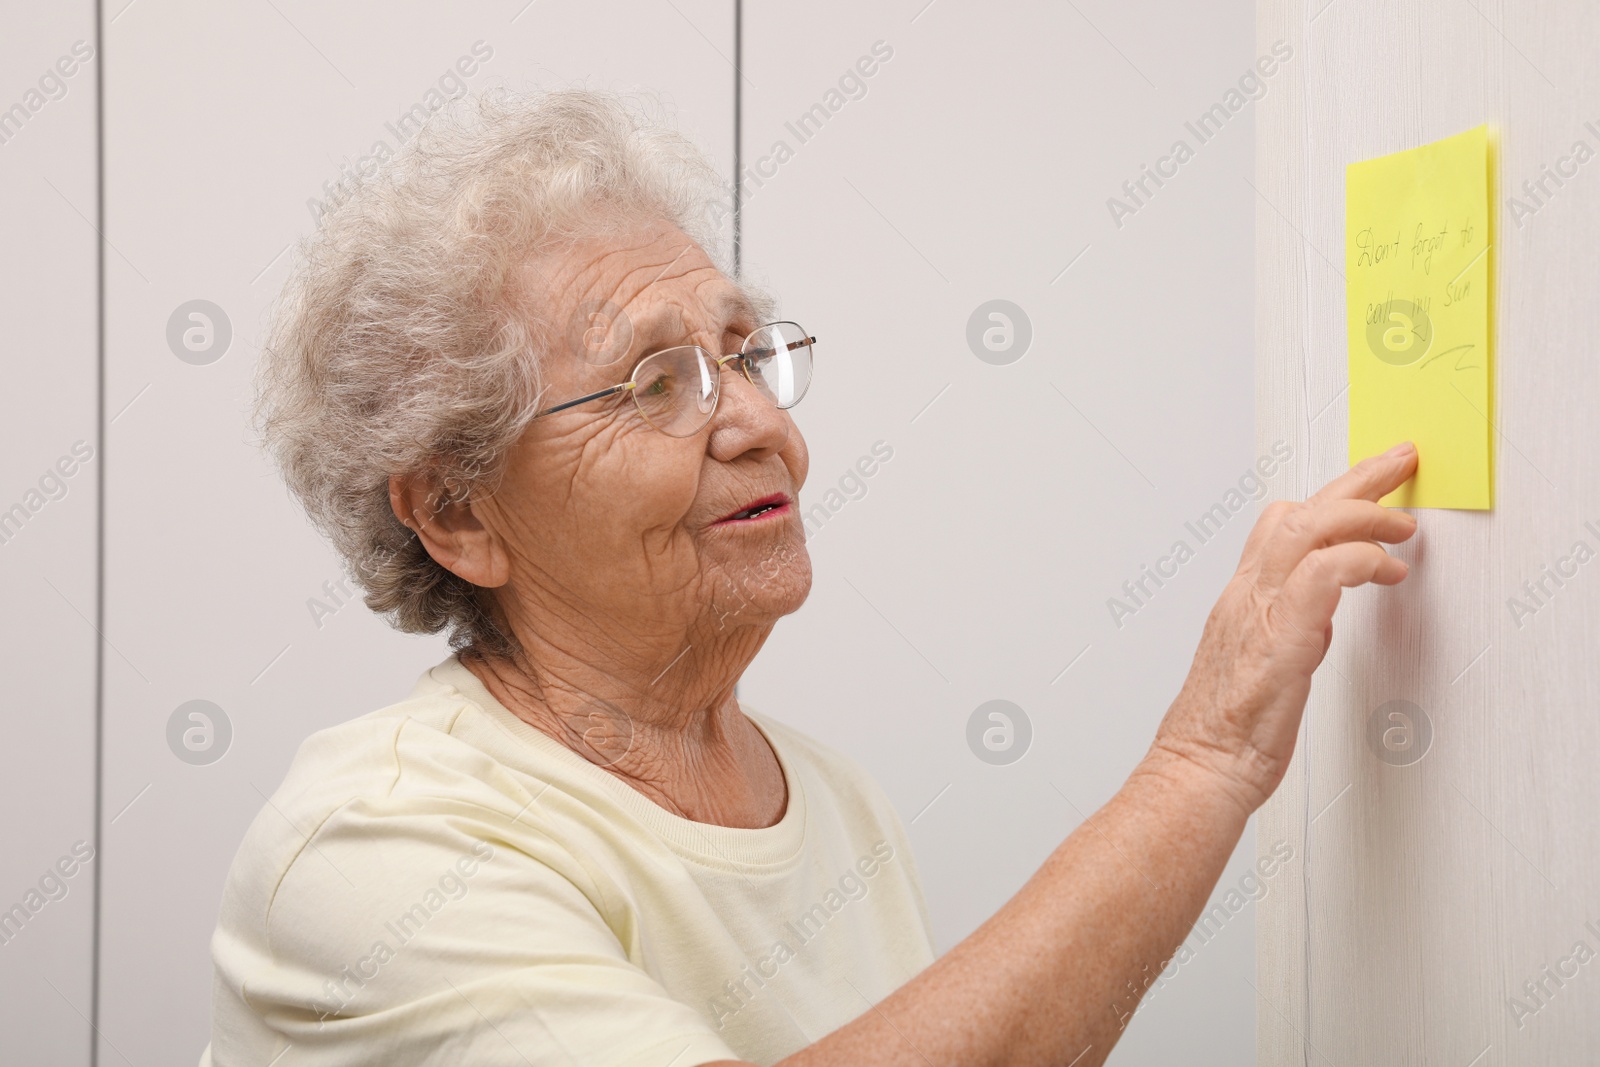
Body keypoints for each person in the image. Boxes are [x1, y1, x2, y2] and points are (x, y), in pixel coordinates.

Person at [202, 88, 1420, 1066]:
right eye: (652, 382)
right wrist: (1198, 764)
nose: (753, 424)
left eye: (740, 354)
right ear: (459, 513)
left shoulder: (822, 797)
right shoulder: (376, 844)